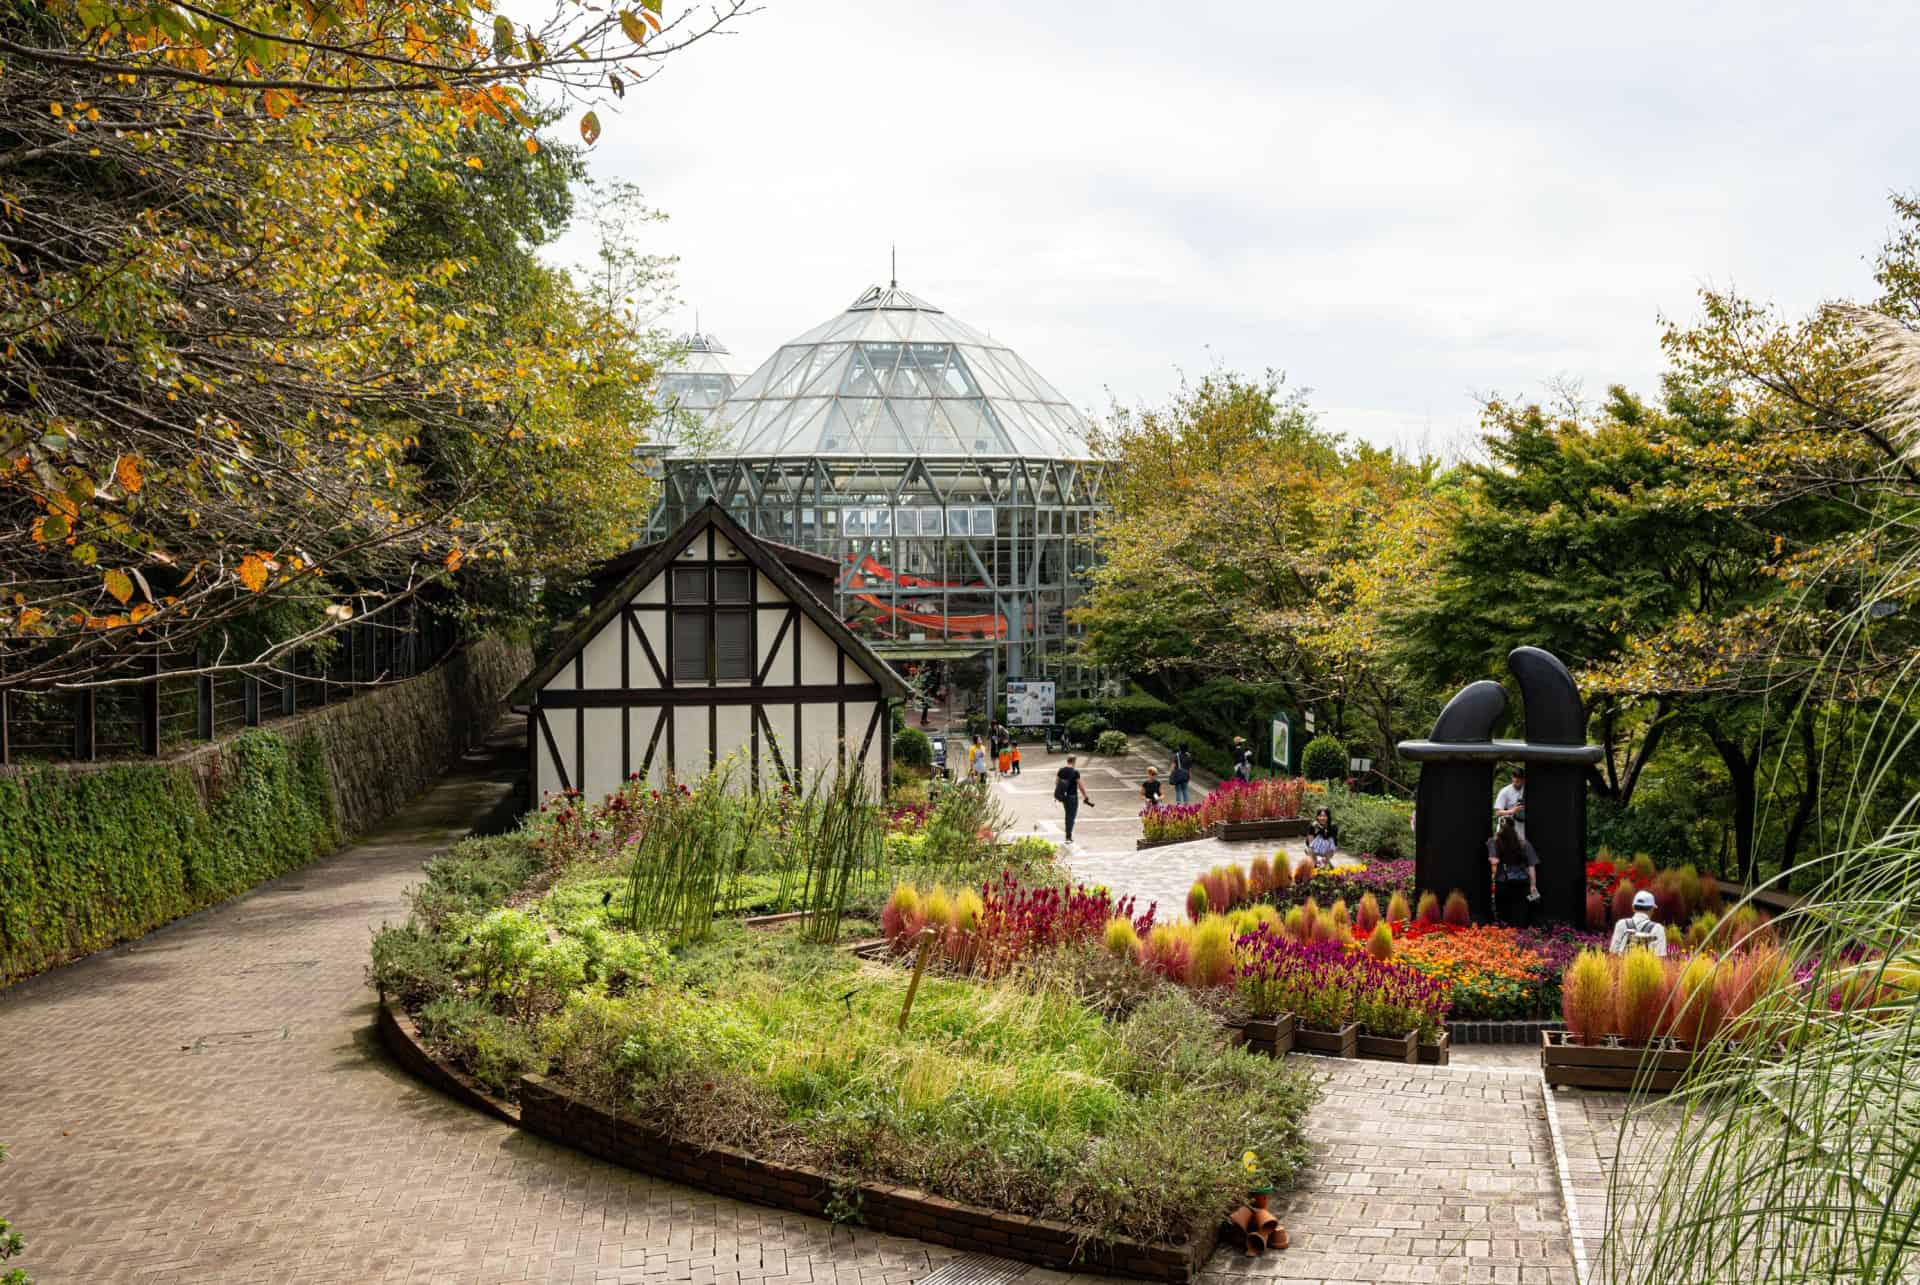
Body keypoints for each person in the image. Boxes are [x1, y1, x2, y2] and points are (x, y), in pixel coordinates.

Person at [1486, 814, 1540, 926]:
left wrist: (1491, 849)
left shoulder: (1494, 842)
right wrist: (1533, 885)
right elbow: (1531, 866)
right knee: (1520, 914)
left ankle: (1506, 934)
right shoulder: (1523, 843)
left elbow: (1494, 861)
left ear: (1499, 827)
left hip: (1503, 882)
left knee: (1504, 915)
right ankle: (1522, 933)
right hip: (1522, 882)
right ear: (1514, 826)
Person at [1609, 889, 1669, 956]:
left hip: (1623, 962)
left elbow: (1612, 954)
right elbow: (1661, 958)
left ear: (1633, 907)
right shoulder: (1658, 928)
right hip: (1648, 963)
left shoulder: (1621, 924)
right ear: (1652, 909)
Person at [1055, 753, 1094, 844]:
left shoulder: (1061, 770)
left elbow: (1056, 782)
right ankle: (1068, 837)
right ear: (1074, 761)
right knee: (1071, 816)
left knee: (1068, 815)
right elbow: (1080, 786)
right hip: (1072, 797)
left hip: (1064, 797)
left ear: (1067, 760)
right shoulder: (1075, 772)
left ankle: (1068, 835)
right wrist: (1085, 796)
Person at [1495, 767, 1526, 837]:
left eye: (1520, 780)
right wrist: (1512, 811)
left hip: (1521, 828)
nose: (1518, 783)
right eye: (1516, 780)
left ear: (1523, 779)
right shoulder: (1504, 791)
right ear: (1512, 778)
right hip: (1507, 827)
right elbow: (1498, 813)